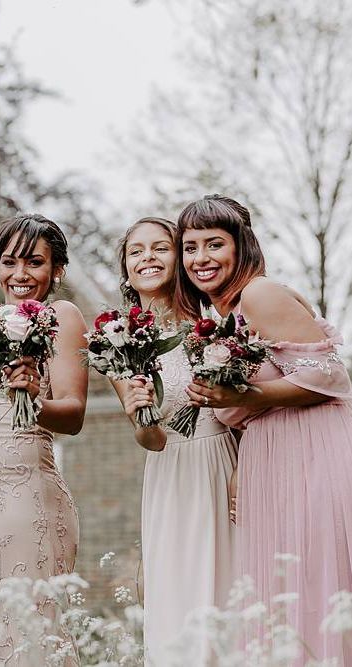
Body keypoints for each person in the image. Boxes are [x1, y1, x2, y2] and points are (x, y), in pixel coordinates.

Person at [177, 194, 352, 663]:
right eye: (190, 248)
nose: (201, 259)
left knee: (316, 587)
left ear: (241, 247)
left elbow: (332, 377)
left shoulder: (258, 293)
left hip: (312, 454)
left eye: (214, 244)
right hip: (270, 459)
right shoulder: (221, 319)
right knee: (286, 598)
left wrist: (244, 399)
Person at [0, 213, 87, 666]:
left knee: (26, 631)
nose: (20, 275)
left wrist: (33, 396)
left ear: (57, 270)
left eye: (34, 262)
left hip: (24, 497)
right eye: (9, 263)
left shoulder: (60, 316)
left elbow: (73, 413)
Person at [114, 217, 237, 664]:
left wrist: (243, 469)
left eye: (160, 248)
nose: (147, 258)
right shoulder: (119, 343)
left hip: (221, 463)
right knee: (176, 601)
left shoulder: (212, 322)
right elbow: (151, 441)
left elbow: (244, 412)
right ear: (126, 267)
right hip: (168, 476)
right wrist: (140, 414)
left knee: (226, 592)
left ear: (180, 258)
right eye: (136, 251)